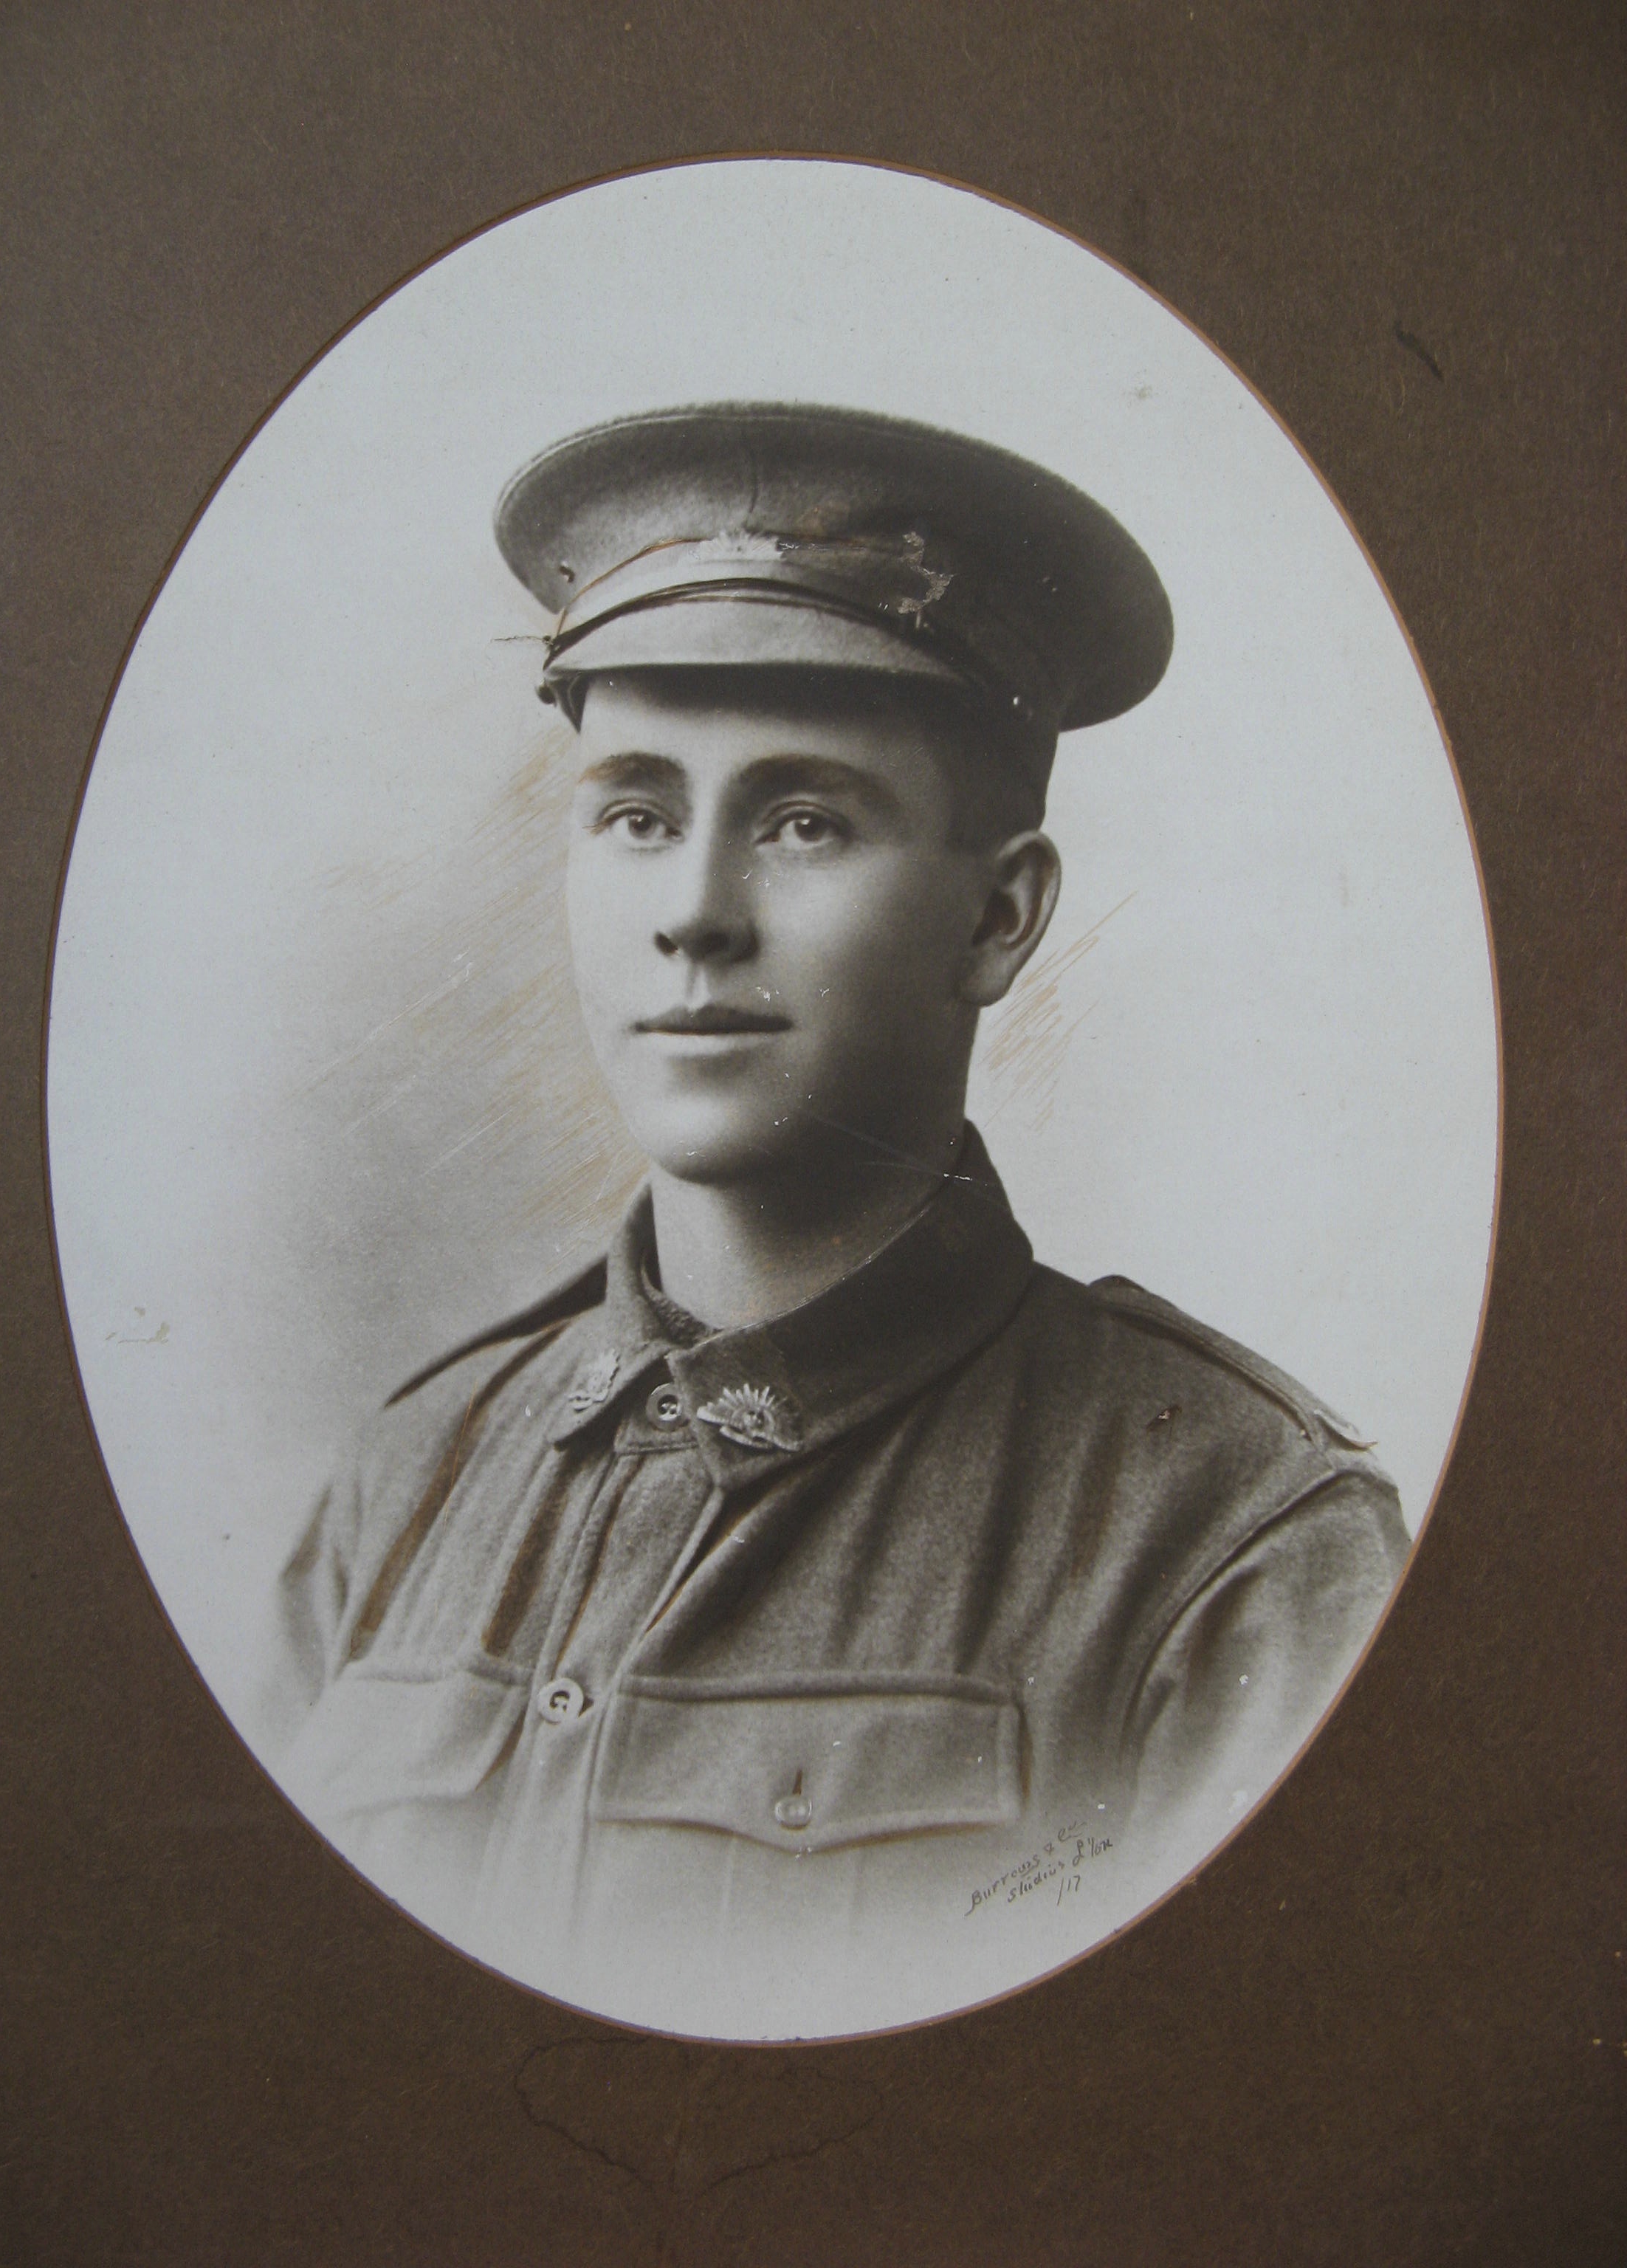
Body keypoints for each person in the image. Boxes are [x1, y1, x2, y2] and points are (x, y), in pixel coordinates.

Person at [263, 404, 1407, 2033]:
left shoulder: (1234, 1543)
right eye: (637, 814)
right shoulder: (407, 1481)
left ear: (998, 917)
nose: (693, 915)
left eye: (804, 822)